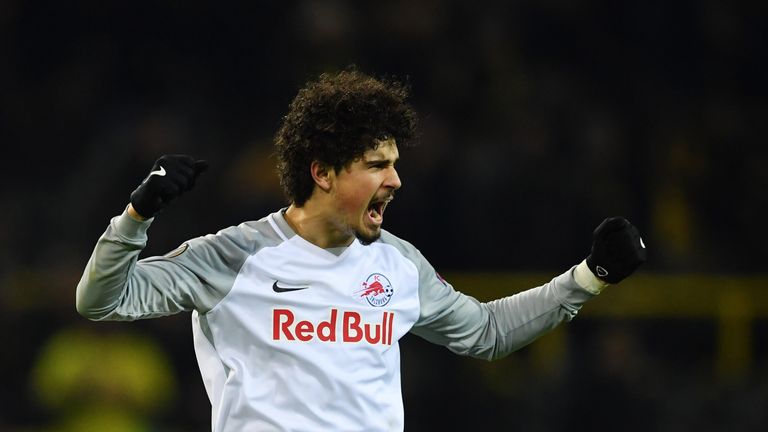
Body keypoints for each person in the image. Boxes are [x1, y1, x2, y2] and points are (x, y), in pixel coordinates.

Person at [76, 69, 646, 431]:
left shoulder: (398, 264)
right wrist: (136, 216)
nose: (396, 181)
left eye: (395, 164)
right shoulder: (233, 257)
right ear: (322, 172)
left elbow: (487, 332)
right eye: (377, 166)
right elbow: (100, 300)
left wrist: (589, 277)